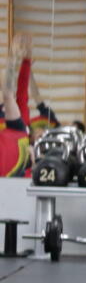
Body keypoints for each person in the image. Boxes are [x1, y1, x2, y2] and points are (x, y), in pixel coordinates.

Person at [1, 37, 31, 178]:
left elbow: (8, 93)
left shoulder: (17, 129)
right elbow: (9, 93)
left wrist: (14, 57)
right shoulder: (19, 130)